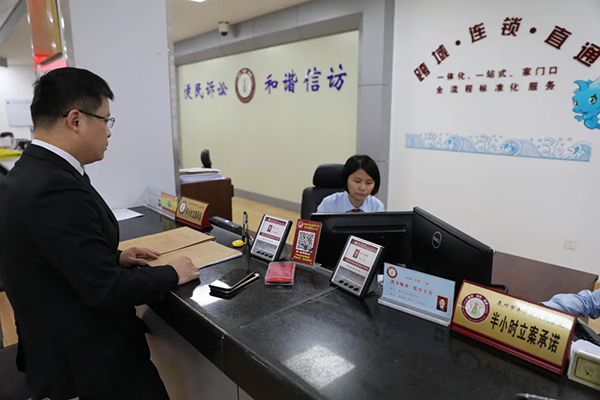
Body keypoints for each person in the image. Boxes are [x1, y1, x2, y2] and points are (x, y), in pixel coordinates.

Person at [0, 67, 199, 400]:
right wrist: (172, 273)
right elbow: (105, 289)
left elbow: (50, 251)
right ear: (76, 120)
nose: (108, 132)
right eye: (106, 120)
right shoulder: (54, 188)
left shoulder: (29, 172)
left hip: (58, 344)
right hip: (92, 360)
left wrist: (112, 256)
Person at [316, 154, 385, 213]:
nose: (363, 188)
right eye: (357, 181)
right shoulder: (329, 204)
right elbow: (315, 224)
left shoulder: (376, 206)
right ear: (346, 179)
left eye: (369, 183)